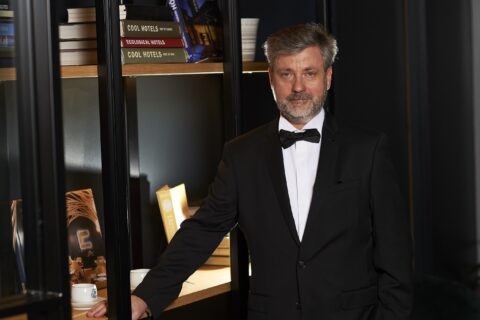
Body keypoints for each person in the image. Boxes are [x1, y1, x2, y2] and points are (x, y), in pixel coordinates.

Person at [88, 22, 413, 320]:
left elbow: (396, 260)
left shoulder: (368, 151)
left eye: (309, 73)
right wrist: (144, 297)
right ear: (271, 78)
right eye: (287, 74)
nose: (298, 86)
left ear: (327, 77)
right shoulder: (242, 155)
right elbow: (201, 232)